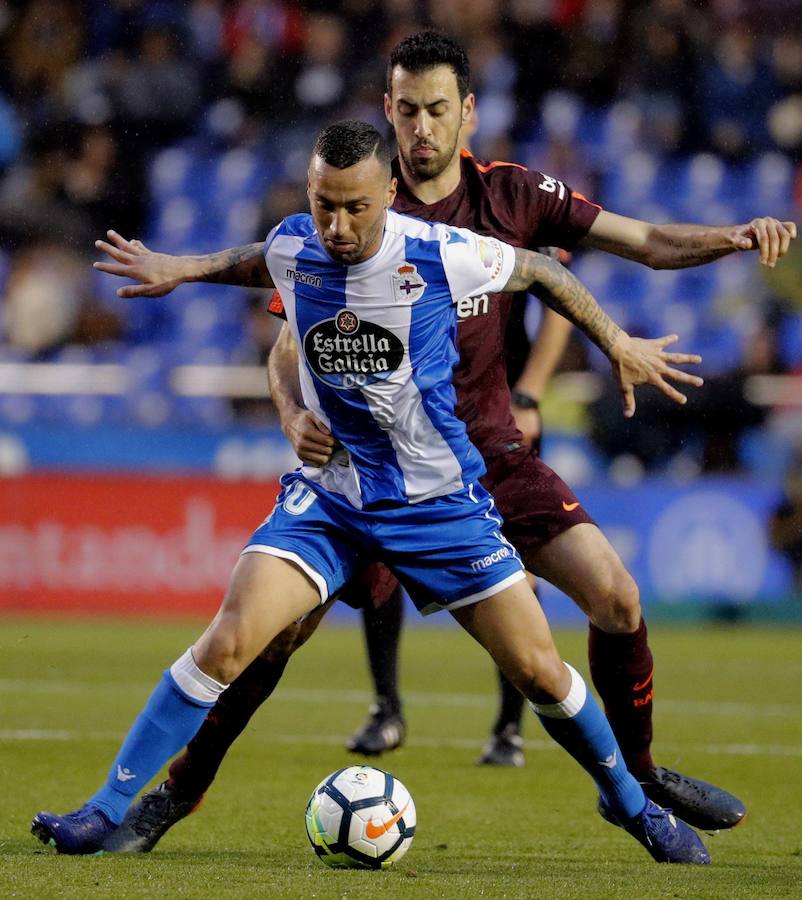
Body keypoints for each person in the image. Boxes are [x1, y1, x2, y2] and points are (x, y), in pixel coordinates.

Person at [90, 31, 798, 853]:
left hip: (490, 456)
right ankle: (178, 792)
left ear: (467, 113)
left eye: (436, 110)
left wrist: (735, 237)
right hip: (372, 466)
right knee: (274, 631)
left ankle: (635, 781)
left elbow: (640, 243)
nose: (420, 127)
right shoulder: (353, 211)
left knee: (616, 599)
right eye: (405, 110)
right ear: (386, 113)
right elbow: (288, 346)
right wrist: (291, 419)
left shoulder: (514, 197)